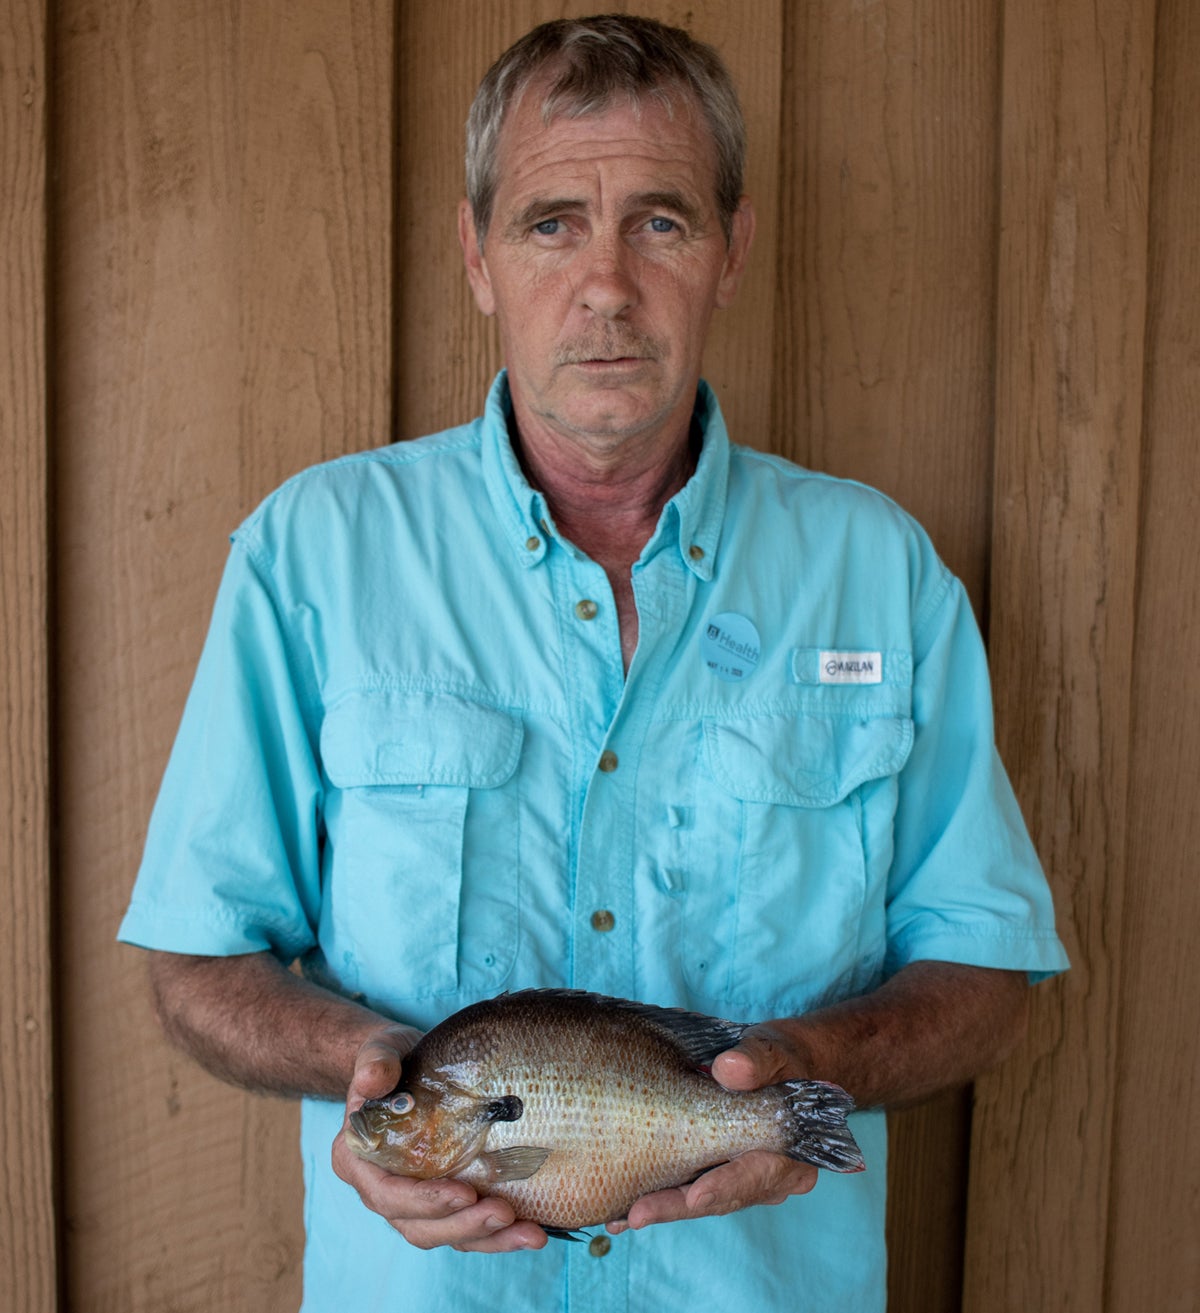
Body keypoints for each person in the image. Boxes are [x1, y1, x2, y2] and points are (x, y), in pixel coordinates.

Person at [120, 14, 1068, 1312]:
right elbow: (198, 957)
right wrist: (379, 1073)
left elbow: (986, 961)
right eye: (552, 221)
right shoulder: (315, 556)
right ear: (477, 255)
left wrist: (801, 1069)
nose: (607, 284)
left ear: (732, 249)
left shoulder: (876, 570)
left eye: (661, 222)